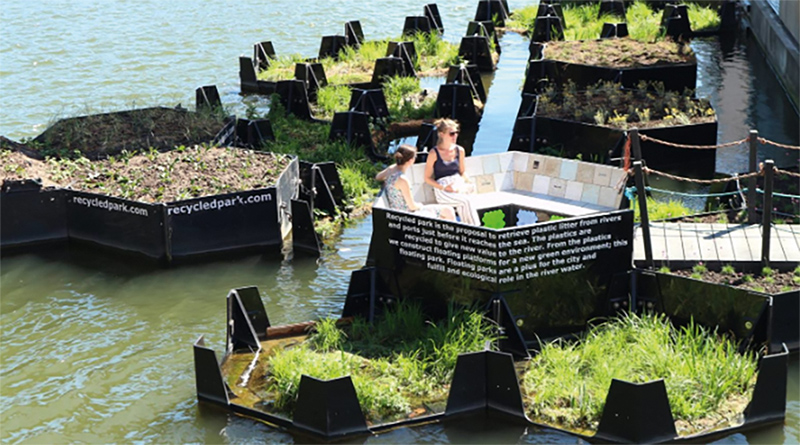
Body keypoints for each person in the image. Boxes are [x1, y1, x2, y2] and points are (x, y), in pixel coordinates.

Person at [423, 118, 480, 225]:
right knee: (466, 201)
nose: (455, 136)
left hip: (457, 184)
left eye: (456, 133)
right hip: (443, 187)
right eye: (451, 133)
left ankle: (467, 230)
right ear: (441, 134)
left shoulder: (460, 150)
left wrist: (468, 182)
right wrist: (444, 187)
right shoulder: (434, 153)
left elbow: (462, 172)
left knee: (464, 203)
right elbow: (427, 178)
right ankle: (478, 229)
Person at [376, 144, 455, 220]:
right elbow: (412, 206)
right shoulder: (402, 180)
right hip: (408, 216)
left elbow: (378, 177)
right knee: (449, 211)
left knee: (445, 212)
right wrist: (420, 205)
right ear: (411, 161)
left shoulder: (391, 169)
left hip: (398, 212)